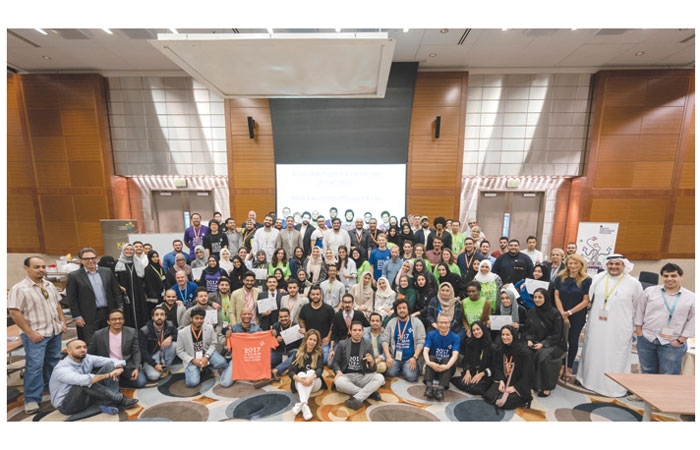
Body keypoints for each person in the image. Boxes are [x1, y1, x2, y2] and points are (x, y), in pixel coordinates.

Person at [8, 256, 68, 414]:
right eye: (36, 267)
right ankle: (32, 399)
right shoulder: (19, 289)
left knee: (53, 362)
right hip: (36, 335)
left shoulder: (49, 285)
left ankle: (52, 388)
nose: (41, 269)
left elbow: (56, 304)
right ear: (26, 268)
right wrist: (29, 332)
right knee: (34, 367)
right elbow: (14, 312)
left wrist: (62, 321)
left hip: (54, 331)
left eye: (43, 266)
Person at [576, 255, 643, 396]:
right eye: (611, 263)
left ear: (624, 266)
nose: (613, 266)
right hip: (596, 324)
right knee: (593, 351)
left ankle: (613, 387)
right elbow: (589, 300)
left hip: (619, 327)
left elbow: (639, 307)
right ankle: (588, 380)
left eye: (617, 264)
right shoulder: (598, 279)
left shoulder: (633, 284)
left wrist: (637, 327)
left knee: (614, 355)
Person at [49, 340, 138, 416]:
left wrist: (119, 367)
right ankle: (119, 399)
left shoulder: (87, 358)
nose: (83, 350)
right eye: (78, 348)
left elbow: (111, 360)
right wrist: (109, 375)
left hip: (85, 395)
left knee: (109, 365)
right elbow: (83, 380)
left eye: (84, 347)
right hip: (66, 405)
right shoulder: (61, 368)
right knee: (83, 383)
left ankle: (112, 400)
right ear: (69, 351)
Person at [634, 263, 695, 375]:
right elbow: (639, 311)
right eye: (666, 276)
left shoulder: (691, 298)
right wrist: (639, 331)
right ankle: (648, 393)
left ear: (681, 276)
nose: (669, 279)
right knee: (647, 371)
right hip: (647, 338)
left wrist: (680, 340)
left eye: (673, 276)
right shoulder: (650, 291)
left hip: (672, 342)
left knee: (668, 375)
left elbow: (694, 320)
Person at [67, 248, 123, 345]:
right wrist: (77, 316)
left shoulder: (107, 271)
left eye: (92, 258)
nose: (90, 261)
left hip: (108, 312)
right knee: (92, 343)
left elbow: (116, 291)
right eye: (86, 259)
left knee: (110, 340)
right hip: (88, 316)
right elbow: (72, 299)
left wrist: (119, 307)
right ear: (81, 260)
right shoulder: (74, 276)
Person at [553, 253, 592, 382]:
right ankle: (561, 365)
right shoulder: (560, 278)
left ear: (581, 265)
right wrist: (562, 313)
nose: (572, 266)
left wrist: (568, 313)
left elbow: (586, 301)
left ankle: (569, 367)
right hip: (561, 313)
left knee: (573, 340)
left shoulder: (586, 280)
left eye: (575, 263)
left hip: (577, 315)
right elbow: (556, 296)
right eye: (570, 263)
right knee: (561, 340)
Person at [331, 321, 385, 410]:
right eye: (355, 330)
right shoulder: (342, 344)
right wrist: (338, 371)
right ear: (350, 331)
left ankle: (357, 397)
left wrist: (371, 362)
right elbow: (335, 362)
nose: (357, 332)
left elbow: (373, 369)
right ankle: (369, 394)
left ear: (363, 332)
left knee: (380, 378)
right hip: (347, 377)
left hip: (362, 376)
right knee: (339, 382)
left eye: (359, 330)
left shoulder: (368, 345)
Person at [524, 288, 566, 397]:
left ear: (546, 298)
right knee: (524, 351)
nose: (537, 299)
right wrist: (529, 340)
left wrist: (543, 344)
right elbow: (528, 330)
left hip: (554, 343)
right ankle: (530, 383)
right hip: (535, 341)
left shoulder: (555, 313)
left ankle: (546, 386)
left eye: (540, 297)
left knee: (543, 356)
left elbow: (557, 334)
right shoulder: (531, 312)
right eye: (535, 297)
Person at [88, 309, 146, 388]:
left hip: (126, 364)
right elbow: (90, 352)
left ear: (124, 320)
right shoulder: (99, 334)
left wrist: (136, 368)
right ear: (108, 322)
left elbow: (136, 351)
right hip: (109, 366)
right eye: (114, 319)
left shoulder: (131, 332)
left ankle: (119, 382)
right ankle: (114, 381)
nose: (117, 321)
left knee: (141, 382)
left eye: (120, 319)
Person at [483, 326, 534, 409]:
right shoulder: (501, 349)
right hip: (505, 379)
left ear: (513, 335)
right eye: (502, 335)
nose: (504, 337)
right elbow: (498, 367)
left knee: (505, 403)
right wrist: (501, 380)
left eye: (507, 335)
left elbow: (528, 374)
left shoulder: (524, 353)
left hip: (518, 383)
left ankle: (526, 396)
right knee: (489, 397)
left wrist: (515, 387)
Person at [176, 308, 229, 388]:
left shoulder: (209, 328)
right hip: (192, 358)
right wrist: (193, 360)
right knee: (192, 383)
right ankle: (200, 369)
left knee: (222, 362)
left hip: (206, 354)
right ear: (191, 319)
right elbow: (179, 351)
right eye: (196, 318)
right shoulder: (182, 333)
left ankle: (206, 367)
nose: (199, 321)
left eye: (201, 318)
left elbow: (213, 344)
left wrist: (206, 357)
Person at [382, 298, 425, 382]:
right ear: (396, 310)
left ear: (408, 309)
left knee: (411, 377)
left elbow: (421, 341)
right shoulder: (391, 322)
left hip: (410, 357)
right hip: (395, 357)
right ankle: (401, 368)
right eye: (399, 308)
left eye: (404, 308)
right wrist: (388, 357)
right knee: (390, 373)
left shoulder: (416, 322)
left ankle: (405, 368)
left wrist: (414, 357)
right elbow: (385, 340)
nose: (402, 310)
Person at [289, 329, 327, 421]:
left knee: (311, 372)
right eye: (310, 339)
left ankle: (300, 405)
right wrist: (302, 380)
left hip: (314, 383)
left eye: (314, 340)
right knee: (301, 373)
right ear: (306, 339)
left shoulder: (319, 353)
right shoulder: (298, 353)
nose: (312, 342)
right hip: (300, 383)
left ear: (317, 342)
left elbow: (320, 369)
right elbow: (291, 372)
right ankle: (304, 405)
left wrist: (311, 378)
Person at [422, 313, 460, 400]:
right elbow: (425, 350)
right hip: (433, 367)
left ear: (449, 323)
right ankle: (429, 388)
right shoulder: (431, 334)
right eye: (441, 322)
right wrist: (429, 363)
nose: (443, 325)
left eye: (446, 323)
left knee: (447, 359)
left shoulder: (455, 337)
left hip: (447, 368)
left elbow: (455, 355)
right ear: (437, 323)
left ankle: (440, 390)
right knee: (431, 358)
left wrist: (446, 366)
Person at [451, 321, 495, 395]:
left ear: (483, 330)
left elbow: (494, 366)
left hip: (485, 373)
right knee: (464, 383)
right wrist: (467, 372)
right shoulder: (471, 343)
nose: (476, 332)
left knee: (477, 389)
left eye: (478, 329)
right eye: (474, 330)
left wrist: (481, 374)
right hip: (472, 371)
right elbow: (466, 360)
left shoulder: (491, 346)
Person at [139, 305, 178, 381]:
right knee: (153, 377)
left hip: (165, 350)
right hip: (152, 355)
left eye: (162, 315)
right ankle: (151, 367)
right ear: (152, 317)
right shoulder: (144, 330)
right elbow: (143, 351)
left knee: (175, 345)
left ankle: (165, 367)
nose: (159, 317)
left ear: (165, 317)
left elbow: (178, 335)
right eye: (157, 315)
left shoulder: (170, 325)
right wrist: (154, 364)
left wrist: (171, 337)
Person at [298, 285, 335, 364]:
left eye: (317, 294)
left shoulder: (328, 309)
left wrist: (328, 337)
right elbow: (301, 320)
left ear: (321, 295)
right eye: (313, 294)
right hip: (309, 341)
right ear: (310, 295)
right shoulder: (305, 308)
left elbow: (333, 324)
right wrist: (304, 330)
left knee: (324, 360)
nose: (315, 296)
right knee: (301, 356)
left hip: (323, 341)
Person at [268, 308, 302, 381]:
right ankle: (284, 367)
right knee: (266, 358)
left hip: (291, 352)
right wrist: (275, 340)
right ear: (279, 318)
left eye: (285, 316)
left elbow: (301, 345)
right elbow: (270, 344)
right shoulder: (275, 326)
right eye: (281, 317)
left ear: (289, 316)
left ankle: (276, 370)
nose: (283, 318)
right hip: (278, 352)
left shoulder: (296, 326)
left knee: (297, 356)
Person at [144, 250, 166, 316]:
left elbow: (164, 279)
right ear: (149, 258)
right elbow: (148, 284)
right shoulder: (148, 269)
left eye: (157, 256)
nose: (155, 258)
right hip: (153, 296)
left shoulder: (161, 268)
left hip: (162, 294)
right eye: (153, 257)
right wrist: (153, 295)